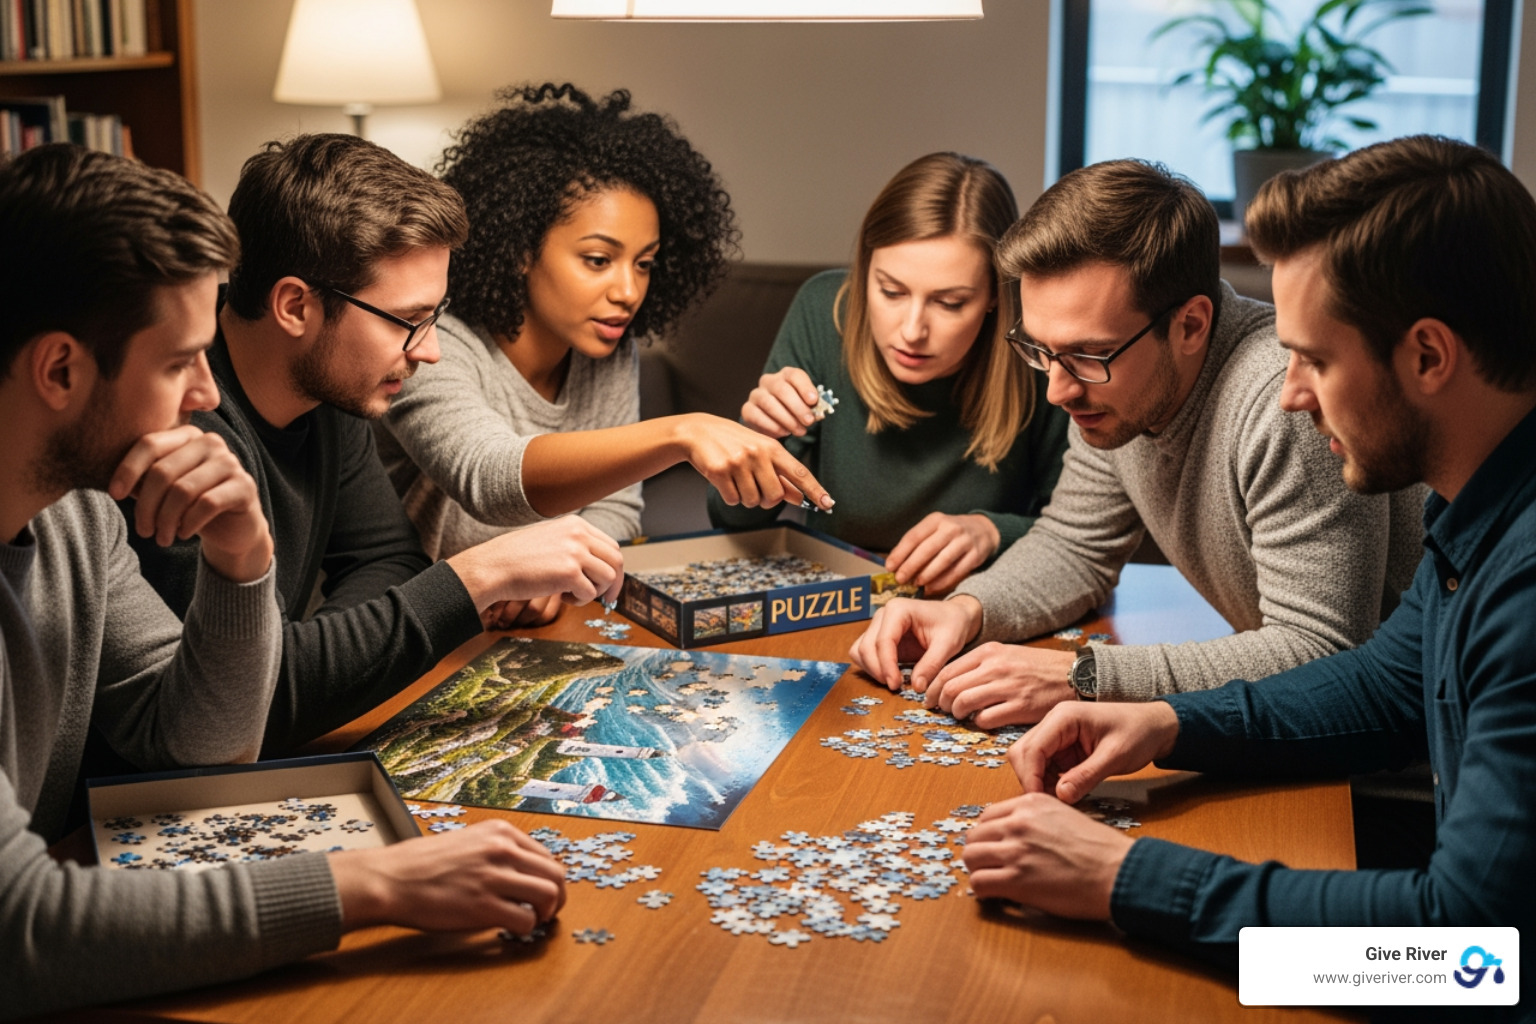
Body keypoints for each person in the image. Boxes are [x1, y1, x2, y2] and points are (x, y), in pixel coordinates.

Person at [1, 145, 567, 1019]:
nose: (204, 395)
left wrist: (243, 562)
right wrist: (369, 885)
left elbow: (200, 747)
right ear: (62, 371)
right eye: (179, 362)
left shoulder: (74, 518)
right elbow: (22, 928)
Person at [963, 134, 1536, 981]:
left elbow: (1461, 960)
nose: (1293, 391)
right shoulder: (1476, 502)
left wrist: (1126, 881)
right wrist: (1168, 724)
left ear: (1427, 356)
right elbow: (1385, 683)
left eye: (1313, 359)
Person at [851, 158, 1422, 727]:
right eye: (1041, 350)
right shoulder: (1116, 397)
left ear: (1191, 326)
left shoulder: (1285, 405)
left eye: (1087, 355)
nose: (1057, 389)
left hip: (1384, 766)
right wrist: (966, 609)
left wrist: (1084, 676)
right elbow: (1075, 545)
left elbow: (1319, 651)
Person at [120, 133, 625, 757]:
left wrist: (318, 656)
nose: (430, 350)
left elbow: (388, 561)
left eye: (435, 317)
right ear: (295, 306)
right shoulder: (176, 427)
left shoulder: (330, 387)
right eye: (408, 320)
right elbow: (246, 700)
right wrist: (478, 577)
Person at [377, 82, 831, 621]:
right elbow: (487, 478)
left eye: (644, 263)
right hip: (416, 634)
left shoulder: (607, 347)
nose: (628, 292)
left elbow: (617, 508)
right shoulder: (430, 343)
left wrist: (561, 571)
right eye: (598, 259)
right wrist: (682, 432)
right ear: (522, 249)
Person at [707, 152, 1070, 596]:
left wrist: (993, 532)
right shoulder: (823, 313)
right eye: (891, 291)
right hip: (838, 598)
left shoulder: (1039, 350)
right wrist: (757, 442)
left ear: (996, 293)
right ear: (864, 270)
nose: (912, 330)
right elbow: (728, 520)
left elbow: (1083, 536)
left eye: (950, 302)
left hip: (982, 602)